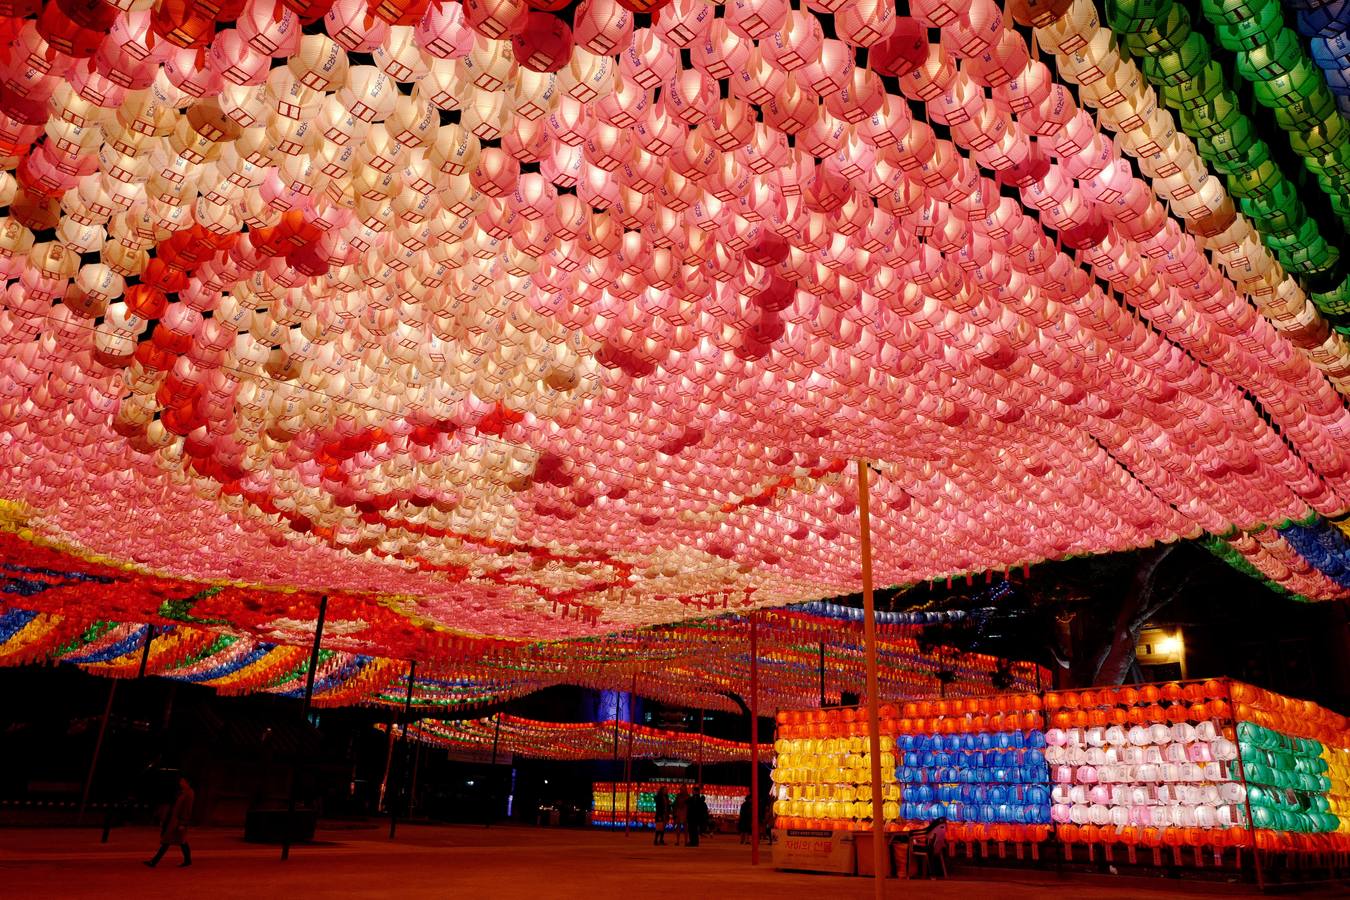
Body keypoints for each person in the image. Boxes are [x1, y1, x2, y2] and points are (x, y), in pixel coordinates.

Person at [145, 776, 193, 868]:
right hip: (175, 820)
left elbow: (187, 809)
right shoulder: (182, 792)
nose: (180, 783)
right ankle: (187, 860)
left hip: (178, 821)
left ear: (188, 782)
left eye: (182, 781)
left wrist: (183, 823)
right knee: (181, 841)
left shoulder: (189, 793)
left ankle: (154, 862)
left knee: (168, 841)